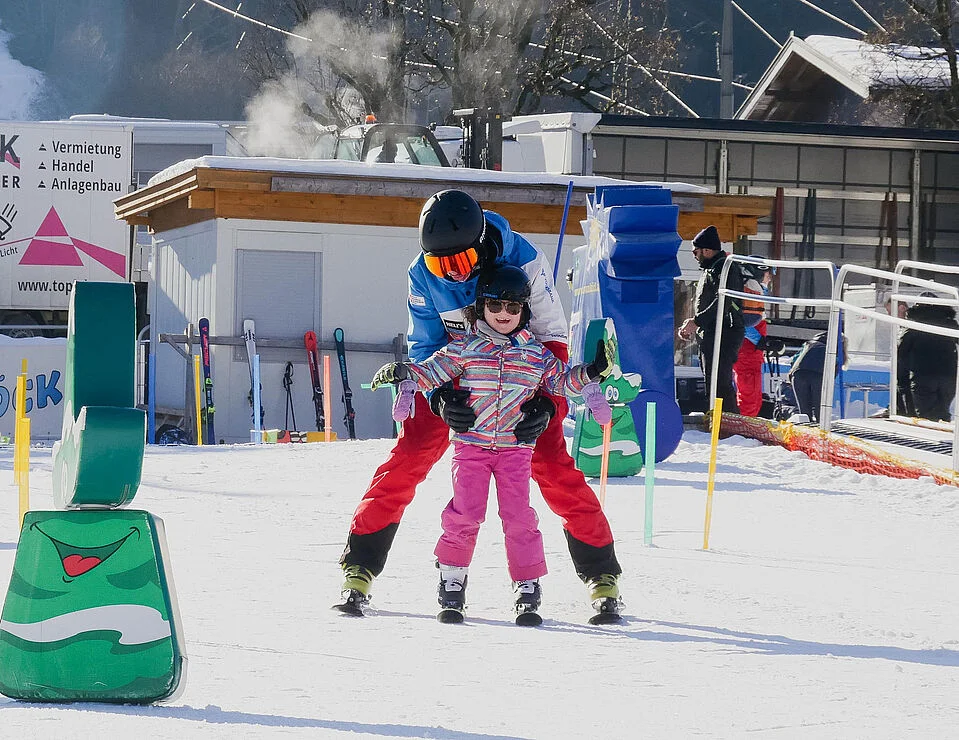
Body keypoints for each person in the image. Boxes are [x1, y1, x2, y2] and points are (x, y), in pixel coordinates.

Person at [337, 189, 624, 617]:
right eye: (440, 265)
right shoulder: (421, 274)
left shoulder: (523, 260)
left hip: (523, 376)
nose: (450, 275)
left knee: (551, 465)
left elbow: (551, 337)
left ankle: (601, 572)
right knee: (410, 456)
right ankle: (359, 565)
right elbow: (425, 344)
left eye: (459, 264)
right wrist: (437, 398)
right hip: (455, 368)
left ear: (481, 248)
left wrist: (547, 404)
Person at [370, 265, 613, 622]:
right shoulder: (464, 349)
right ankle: (452, 578)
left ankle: (527, 584)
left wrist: (592, 373)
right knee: (465, 513)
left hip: (516, 451)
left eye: (513, 309)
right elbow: (430, 372)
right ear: (480, 307)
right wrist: (403, 373)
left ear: (524, 312)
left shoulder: (536, 355)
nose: (504, 315)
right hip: (471, 449)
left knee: (518, 518)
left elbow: (563, 382)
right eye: (496, 306)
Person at [677, 225, 745, 413]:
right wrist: (694, 323)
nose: (694, 256)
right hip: (712, 331)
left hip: (726, 331)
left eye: (695, 252)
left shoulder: (726, 269)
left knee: (720, 380)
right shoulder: (710, 270)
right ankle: (717, 420)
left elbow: (723, 301)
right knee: (712, 379)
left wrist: (697, 321)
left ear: (706, 250)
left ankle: (728, 424)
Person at [897, 293, 959, 422]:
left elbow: (901, 353)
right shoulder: (950, 324)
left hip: (923, 376)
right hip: (948, 376)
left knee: (926, 416)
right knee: (943, 412)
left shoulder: (914, 325)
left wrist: (902, 381)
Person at [733, 259, 774, 417]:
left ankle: (747, 426)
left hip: (750, 351)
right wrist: (760, 341)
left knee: (753, 395)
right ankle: (744, 430)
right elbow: (744, 323)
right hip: (748, 350)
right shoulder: (751, 291)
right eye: (767, 273)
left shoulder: (751, 290)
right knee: (749, 396)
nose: (769, 278)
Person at [788, 332, 829, 423]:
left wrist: (791, 377)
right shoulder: (833, 348)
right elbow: (835, 365)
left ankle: (806, 431)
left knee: (804, 410)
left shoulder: (808, 344)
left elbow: (794, 360)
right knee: (821, 409)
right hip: (818, 375)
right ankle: (821, 431)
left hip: (798, 374)